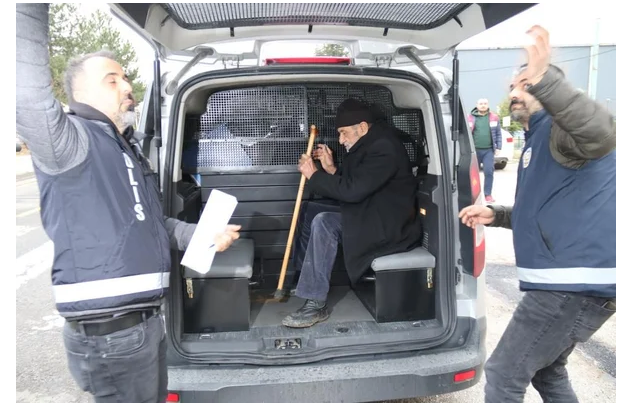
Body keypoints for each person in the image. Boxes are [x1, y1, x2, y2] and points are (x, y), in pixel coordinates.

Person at [16, 3, 241, 403]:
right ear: (80, 93)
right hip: (111, 334)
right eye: (112, 80)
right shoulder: (69, 141)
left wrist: (202, 234)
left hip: (142, 326)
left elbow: (153, 225)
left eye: (125, 77)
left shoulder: (126, 151)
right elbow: (25, 92)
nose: (126, 85)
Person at [459, 25, 616, 403]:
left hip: (571, 286)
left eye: (526, 85)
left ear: (549, 93)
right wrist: (496, 214)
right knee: (548, 372)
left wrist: (545, 79)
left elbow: (603, 132)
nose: (515, 93)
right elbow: (545, 211)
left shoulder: (563, 132)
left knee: (503, 374)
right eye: (514, 86)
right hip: (571, 285)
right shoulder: (537, 141)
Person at [282, 98, 422, 328]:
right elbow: (357, 182)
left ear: (363, 127)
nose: (341, 140)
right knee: (310, 209)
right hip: (370, 211)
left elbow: (353, 191)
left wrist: (314, 175)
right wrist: (331, 168)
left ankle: (315, 304)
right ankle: (306, 280)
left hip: (389, 226)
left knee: (324, 221)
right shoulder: (370, 143)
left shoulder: (384, 147)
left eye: (343, 133)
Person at [468, 98, 502, 203]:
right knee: (472, 174)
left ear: (488, 105)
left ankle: (488, 195)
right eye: (481, 103)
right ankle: (471, 195)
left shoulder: (494, 117)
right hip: (474, 151)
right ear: (477, 105)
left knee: (489, 172)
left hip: (488, 151)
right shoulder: (470, 118)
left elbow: (498, 133)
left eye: (485, 103)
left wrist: (499, 147)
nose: (483, 105)